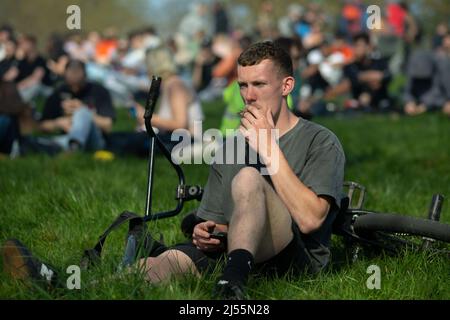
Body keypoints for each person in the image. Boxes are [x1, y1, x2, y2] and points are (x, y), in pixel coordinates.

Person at [2, 42, 345, 300]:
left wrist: (269, 150)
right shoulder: (232, 145)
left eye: (259, 85)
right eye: (243, 86)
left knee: (249, 176)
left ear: (286, 86)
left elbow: (312, 219)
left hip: (294, 259)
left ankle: (231, 286)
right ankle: (60, 287)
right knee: (159, 263)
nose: (249, 97)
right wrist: (205, 232)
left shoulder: (320, 140)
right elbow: (223, 219)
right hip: (235, 251)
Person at [38, 59, 115, 152]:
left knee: (82, 112)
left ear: (85, 75)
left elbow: (107, 126)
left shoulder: (98, 91)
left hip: (94, 141)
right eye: (71, 73)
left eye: (77, 73)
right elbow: (42, 125)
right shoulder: (58, 93)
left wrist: (84, 111)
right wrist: (58, 123)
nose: (74, 76)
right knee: (41, 142)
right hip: (67, 137)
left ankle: (75, 146)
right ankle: (73, 145)